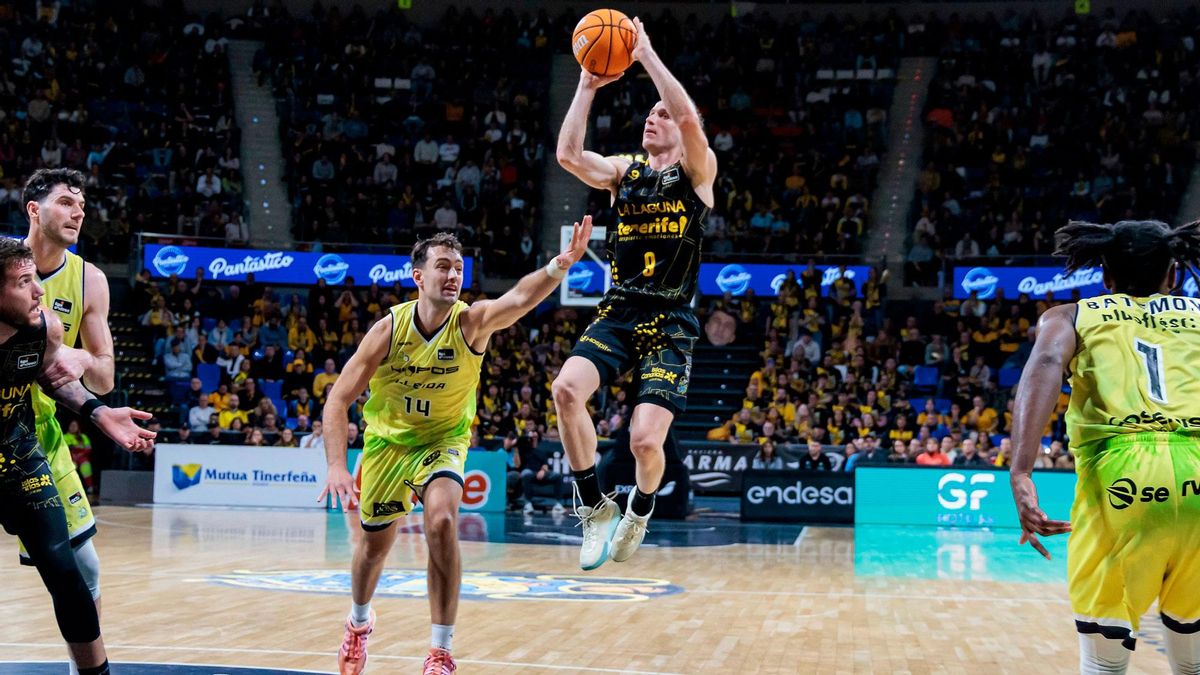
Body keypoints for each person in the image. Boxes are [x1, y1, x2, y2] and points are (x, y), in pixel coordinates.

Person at [318, 221, 593, 675]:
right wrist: (335, 465)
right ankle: (358, 624)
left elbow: (519, 299)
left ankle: (440, 652)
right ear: (418, 276)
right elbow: (338, 400)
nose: (452, 275)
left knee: (443, 521)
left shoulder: (471, 322)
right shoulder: (388, 330)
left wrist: (559, 265)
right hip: (388, 444)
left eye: (459, 268)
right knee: (373, 549)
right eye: (442, 266)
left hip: (443, 440)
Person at [554, 17, 718, 570]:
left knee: (646, 444)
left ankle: (640, 508)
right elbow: (569, 156)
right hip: (622, 308)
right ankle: (592, 504)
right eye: (649, 112)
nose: (654, 117)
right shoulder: (627, 172)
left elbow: (690, 115)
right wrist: (585, 85)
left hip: (671, 320)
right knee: (565, 392)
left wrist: (644, 54)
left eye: (662, 114)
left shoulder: (698, 173)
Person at [1011, 219, 1200, 673]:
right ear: (1172, 274)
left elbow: (1047, 364)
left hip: (1122, 474)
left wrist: (1021, 469)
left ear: (1104, 276)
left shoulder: (1068, 316)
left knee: (1106, 664)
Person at [0, 237, 155, 675]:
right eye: (25, 283)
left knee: (68, 572)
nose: (39, 292)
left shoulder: (44, 327)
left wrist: (99, 412)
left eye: (37, 280)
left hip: (19, 457)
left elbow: (50, 376)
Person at [19, 169, 118, 673]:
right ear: (34, 211)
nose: (78, 211)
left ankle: (90, 670)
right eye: (65, 202)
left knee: (84, 567)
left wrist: (78, 358)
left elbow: (103, 376)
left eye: (82, 204)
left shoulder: (90, 280)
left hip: (39, 435)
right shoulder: (2, 265)